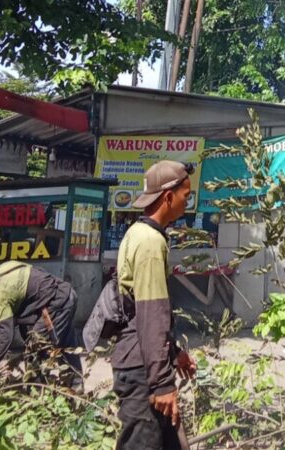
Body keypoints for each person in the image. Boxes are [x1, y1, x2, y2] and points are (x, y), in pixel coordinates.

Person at [111, 160, 198, 450]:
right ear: (168, 197)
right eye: (186, 196)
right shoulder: (150, 243)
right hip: (141, 372)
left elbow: (142, 312)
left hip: (143, 362)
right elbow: (151, 315)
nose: (187, 202)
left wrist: (174, 353)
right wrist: (161, 383)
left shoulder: (140, 232)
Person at [0, 261, 82, 385]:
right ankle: (75, 387)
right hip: (63, 296)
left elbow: (5, 337)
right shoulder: (2, 272)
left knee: (35, 354)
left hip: (57, 302)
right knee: (65, 349)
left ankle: (37, 392)